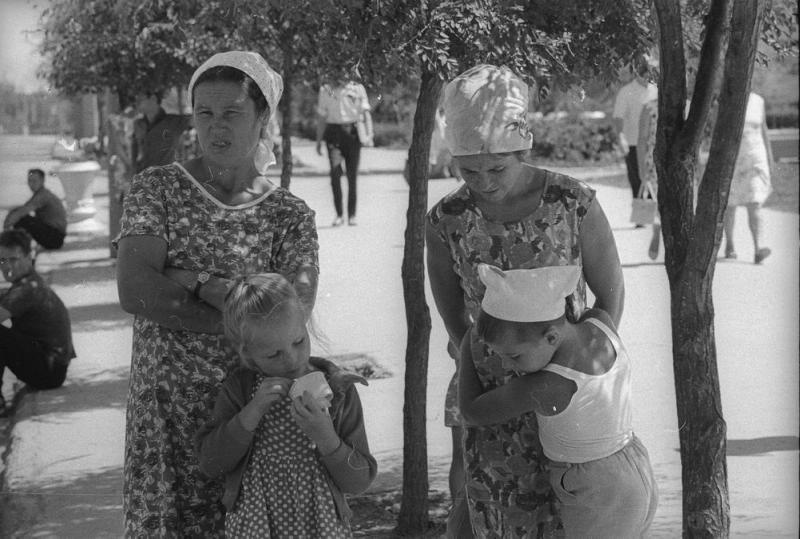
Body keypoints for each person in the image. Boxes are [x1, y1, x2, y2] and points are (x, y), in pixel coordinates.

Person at [114, 51, 319, 536]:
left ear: (263, 118)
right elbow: (136, 288)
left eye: (232, 113)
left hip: (251, 414)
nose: (216, 127)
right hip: (162, 412)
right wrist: (244, 313)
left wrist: (195, 280)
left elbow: (292, 316)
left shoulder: (288, 215)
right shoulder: (156, 188)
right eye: (205, 113)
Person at [426, 64, 625, 537]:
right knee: (501, 513)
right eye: (469, 170)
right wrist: (473, 356)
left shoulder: (571, 201)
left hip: (566, 393)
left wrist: (587, 365)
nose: (485, 181)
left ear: (523, 146)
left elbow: (610, 292)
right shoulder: (447, 219)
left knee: (573, 512)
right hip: (491, 392)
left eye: (497, 168)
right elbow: (450, 303)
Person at [459, 263, 657, 537]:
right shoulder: (600, 322)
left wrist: (465, 348)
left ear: (551, 336)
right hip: (635, 466)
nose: (505, 365)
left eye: (513, 356)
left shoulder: (548, 385)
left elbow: (472, 411)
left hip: (596, 489)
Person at [196, 273, 377, 537]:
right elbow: (211, 464)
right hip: (256, 526)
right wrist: (250, 414)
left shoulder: (336, 391)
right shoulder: (241, 390)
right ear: (248, 354)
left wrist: (326, 437)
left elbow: (360, 481)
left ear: (306, 324)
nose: (292, 360)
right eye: (273, 354)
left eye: (298, 341)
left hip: (321, 526)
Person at [0, 230, 74, 412]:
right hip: (53, 368)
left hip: (48, 371)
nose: (7, 266)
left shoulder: (27, 289)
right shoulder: (30, 282)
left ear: (28, 257)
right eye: (2, 260)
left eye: (14, 259)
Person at [723, 92, 774, 264]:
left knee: (755, 202)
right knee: (730, 205)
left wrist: (769, 158)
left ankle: (758, 248)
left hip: (755, 158)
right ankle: (730, 244)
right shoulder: (727, 97)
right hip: (733, 158)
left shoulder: (759, 100)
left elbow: (764, 130)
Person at [316, 80, 374, 227]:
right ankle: (339, 214)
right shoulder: (326, 89)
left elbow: (366, 113)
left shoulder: (357, 88)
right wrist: (318, 140)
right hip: (333, 133)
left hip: (353, 134)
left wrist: (369, 135)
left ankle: (352, 215)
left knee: (352, 176)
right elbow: (322, 117)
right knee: (335, 174)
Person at [613, 61, 658, 221]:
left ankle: (655, 215)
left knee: (655, 179)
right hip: (633, 141)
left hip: (654, 142)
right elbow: (618, 117)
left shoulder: (655, 90)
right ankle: (641, 216)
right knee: (637, 178)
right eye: (643, 70)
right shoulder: (627, 91)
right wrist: (621, 138)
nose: (647, 74)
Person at [3, 168, 67, 250]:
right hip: (55, 236)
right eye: (29, 181)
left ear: (42, 181)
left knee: (22, 219)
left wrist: (6, 226)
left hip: (55, 238)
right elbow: (22, 209)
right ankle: (17, 246)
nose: (31, 184)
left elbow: (23, 211)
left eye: (34, 181)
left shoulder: (43, 195)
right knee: (21, 218)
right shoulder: (41, 194)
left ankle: (16, 248)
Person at [132, 89, 193, 173]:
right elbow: (134, 151)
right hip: (142, 179)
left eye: (140, 99)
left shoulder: (174, 122)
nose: (136, 103)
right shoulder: (138, 124)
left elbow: (197, 119)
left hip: (166, 180)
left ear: (153, 98)